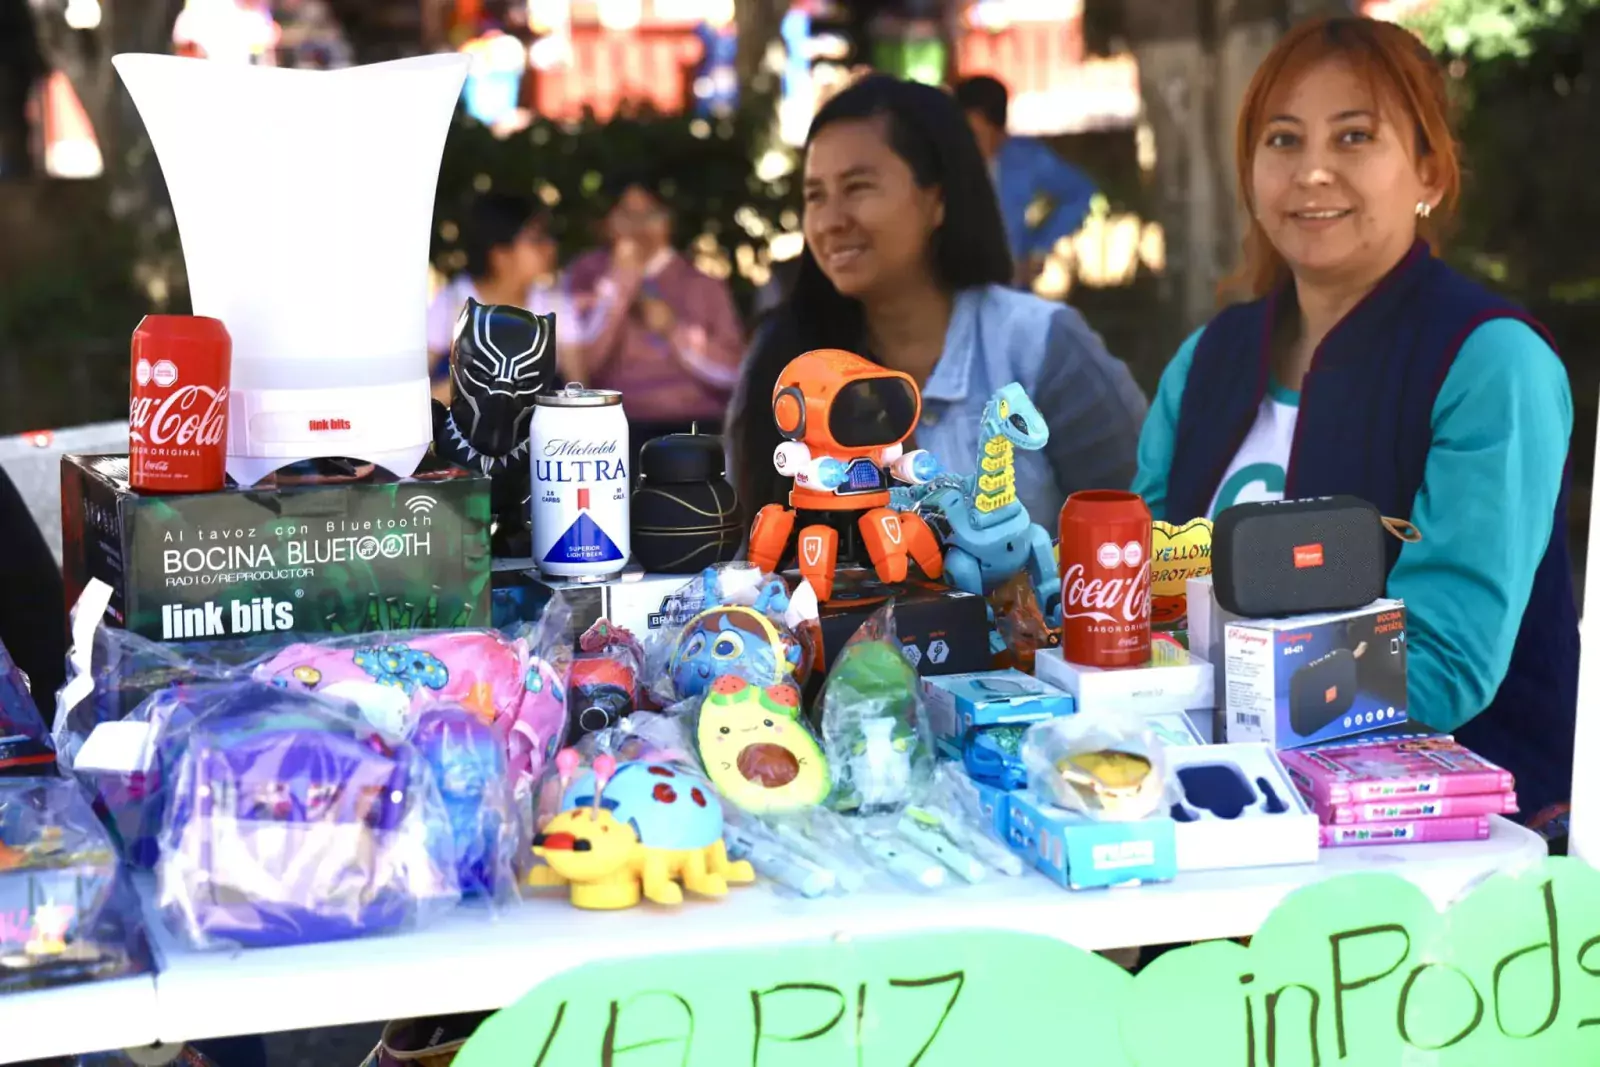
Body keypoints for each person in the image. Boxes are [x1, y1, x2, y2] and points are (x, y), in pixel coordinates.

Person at [1131, 16, 1577, 834]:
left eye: (1355, 136)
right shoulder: (1207, 360)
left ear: (1429, 172)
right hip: (1209, 830)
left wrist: (1225, 687)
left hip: (1444, 869)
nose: (1312, 172)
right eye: (1282, 140)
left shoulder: (1492, 363)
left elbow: (1443, 662)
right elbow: (1140, 588)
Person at [730, 74, 1146, 534]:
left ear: (938, 199)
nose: (830, 221)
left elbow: (1140, 532)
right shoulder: (782, 362)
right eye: (815, 195)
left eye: (858, 187)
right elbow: (742, 563)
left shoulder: (1041, 346)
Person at [565, 173, 746, 465]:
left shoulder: (702, 283)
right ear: (606, 223)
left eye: (649, 214)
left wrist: (674, 330)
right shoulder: (586, 274)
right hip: (615, 429)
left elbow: (732, 373)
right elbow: (579, 370)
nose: (638, 227)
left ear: (668, 221)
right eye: (626, 214)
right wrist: (619, 290)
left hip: (695, 424)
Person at [426, 193, 579, 403]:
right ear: (500, 254)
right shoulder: (451, 304)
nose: (550, 246)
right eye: (537, 239)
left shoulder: (556, 306)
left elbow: (579, 391)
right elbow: (418, 402)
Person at [954, 74, 1099, 289]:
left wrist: (1038, 249)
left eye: (976, 134)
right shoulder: (940, 162)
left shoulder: (1025, 159)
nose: (966, 144)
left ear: (1000, 133)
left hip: (1009, 288)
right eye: (959, 133)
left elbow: (1080, 192)